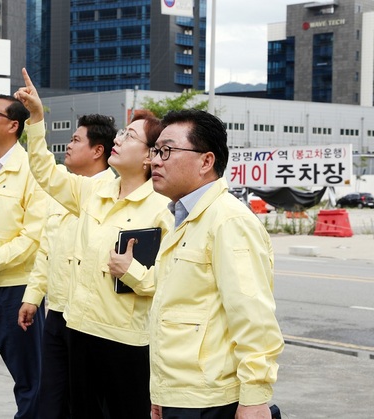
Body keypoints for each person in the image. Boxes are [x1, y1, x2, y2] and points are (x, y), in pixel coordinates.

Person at [15, 68, 173, 419]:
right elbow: (44, 171)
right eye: (121, 133)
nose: (118, 139)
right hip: (79, 330)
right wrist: (37, 118)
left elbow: (172, 282)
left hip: (126, 340)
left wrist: (131, 271)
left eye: (129, 136)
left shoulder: (163, 208)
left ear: (150, 156)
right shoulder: (93, 191)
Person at [148, 109, 284, 419]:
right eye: (155, 150)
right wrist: (161, 391)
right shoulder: (184, 219)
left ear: (206, 161)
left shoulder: (228, 221)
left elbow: (254, 318)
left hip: (209, 400)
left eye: (167, 150)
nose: (155, 160)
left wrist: (254, 398)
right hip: (181, 394)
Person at [18, 114, 117, 419]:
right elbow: (47, 248)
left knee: (85, 401)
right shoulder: (63, 194)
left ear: (97, 150)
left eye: (76, 140)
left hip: (90, 317)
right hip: (58, 311)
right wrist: (33, 296)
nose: (69, 146)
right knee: (52, 397)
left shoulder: (112, 195)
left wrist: (36, 119)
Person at [0, 94, 47, 419]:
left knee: (31, 383)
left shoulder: (33, 170)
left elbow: (33, 236)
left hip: (15, 293)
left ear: (14, 125)